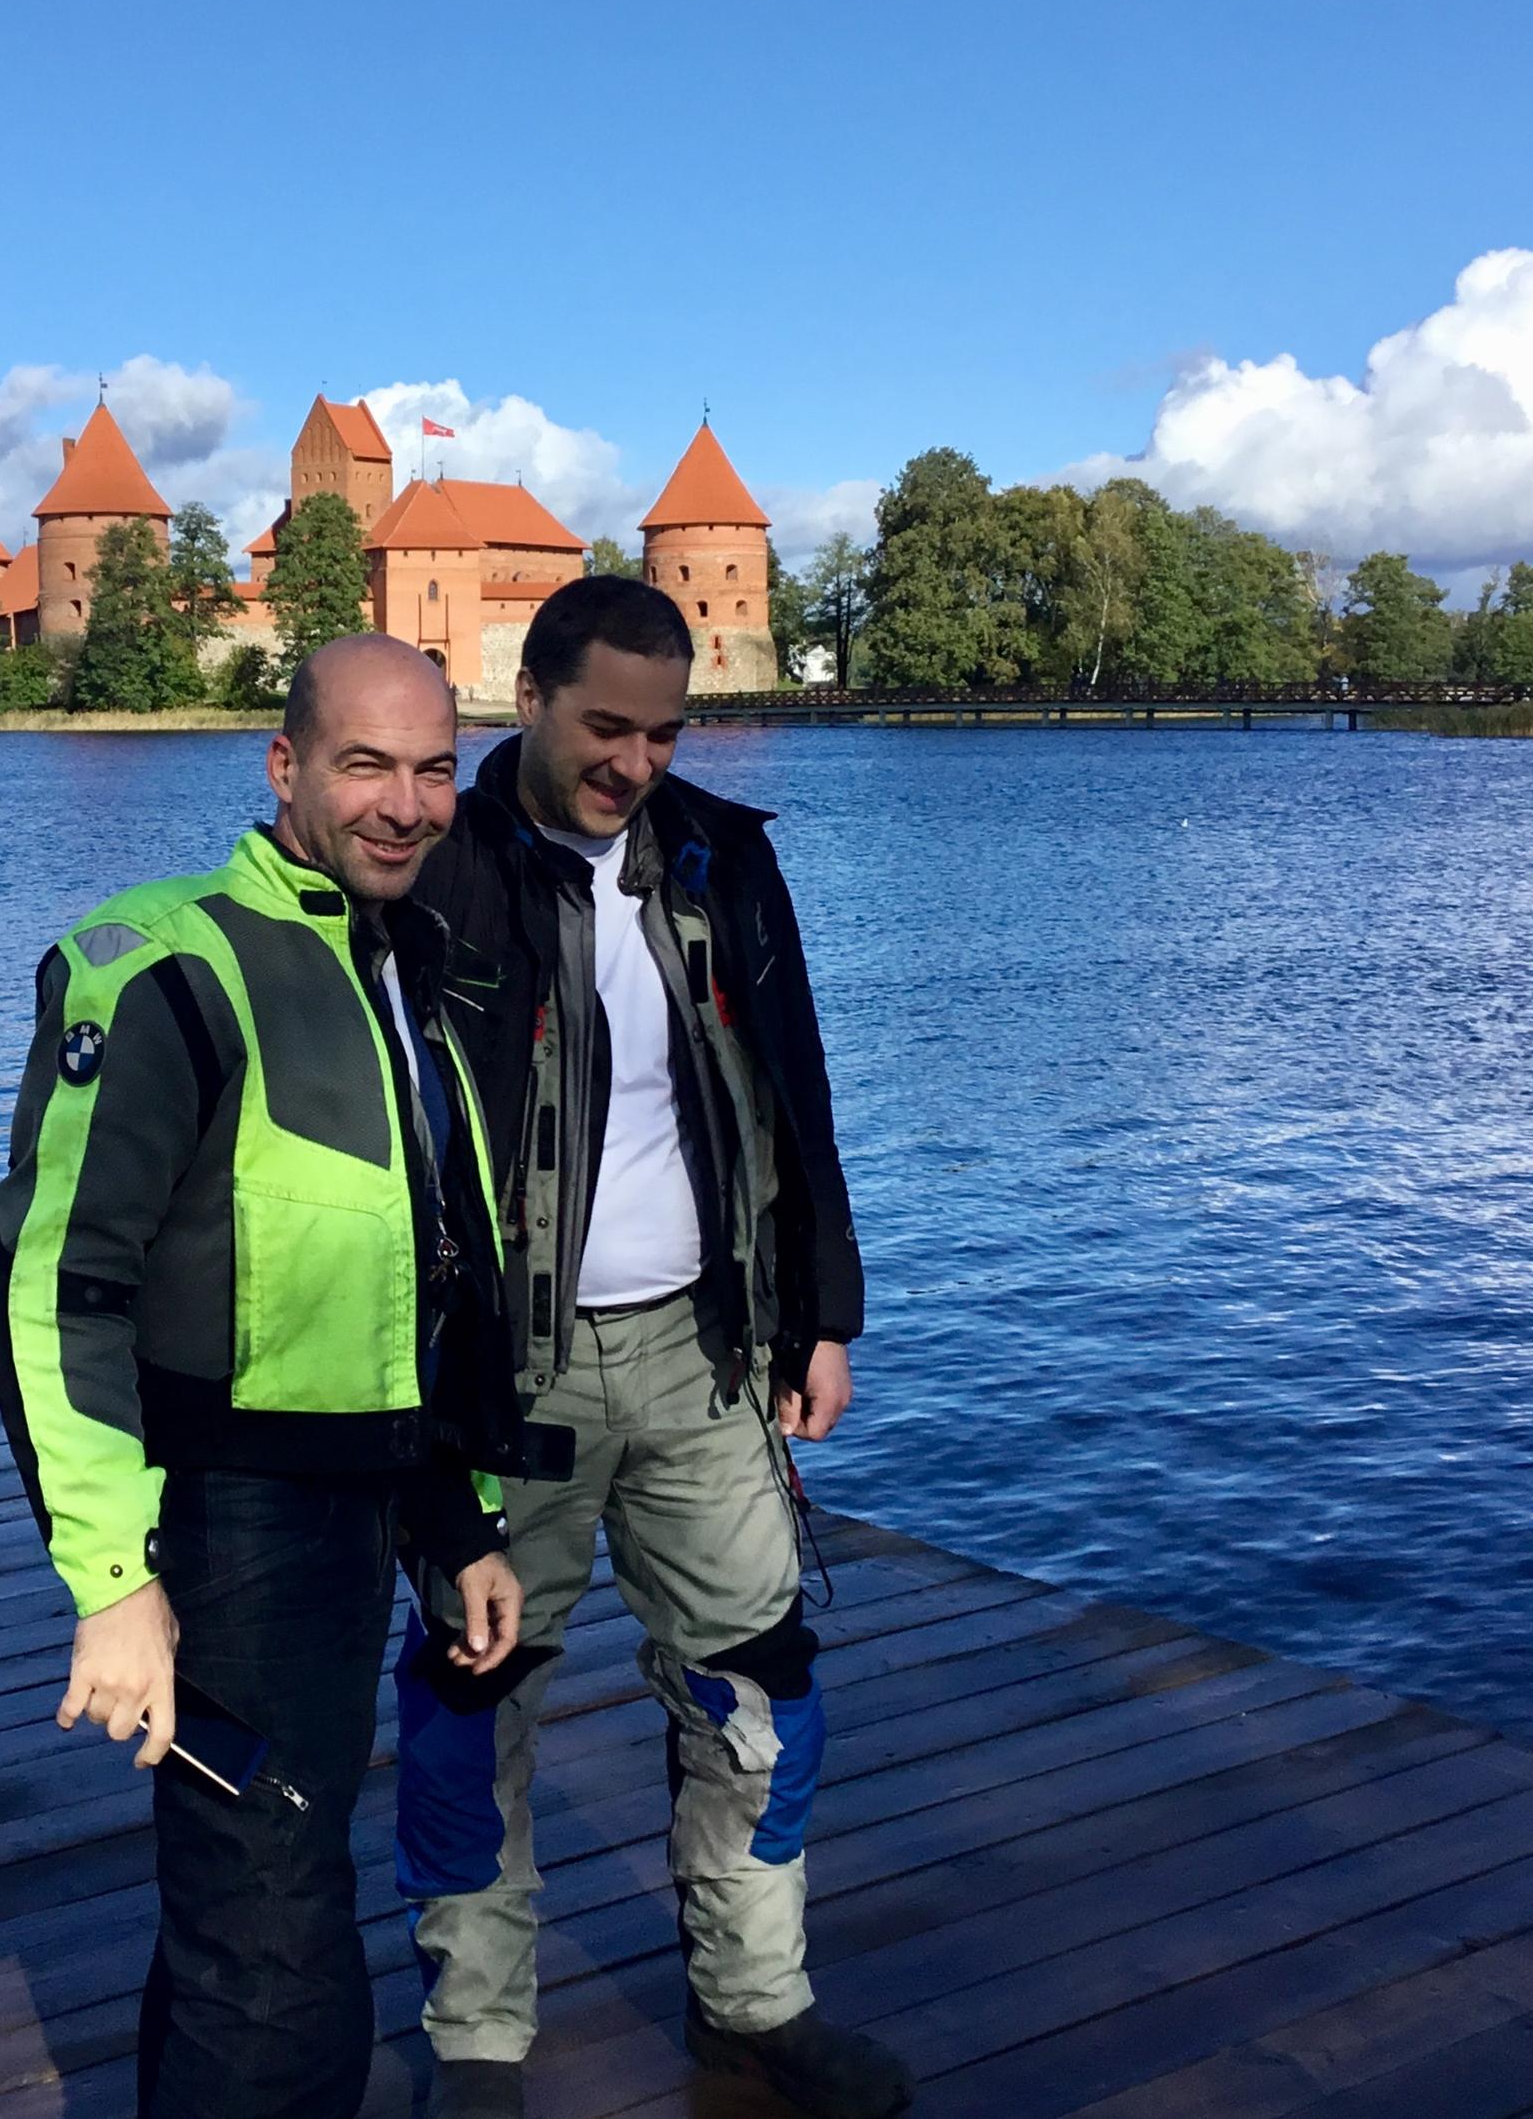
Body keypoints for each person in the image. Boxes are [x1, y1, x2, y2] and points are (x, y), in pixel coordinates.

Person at [0, 634, 541, 2119]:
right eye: (366, 766)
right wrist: (113, 1581)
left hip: (360, 1507)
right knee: (276, 1952)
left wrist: (457, 1519)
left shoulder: (407, 963)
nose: (406, 806)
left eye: (435, 770)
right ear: (285, 767)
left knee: (256, 1906)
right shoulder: (163, 965)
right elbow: (51, 1290)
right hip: (224, 1528)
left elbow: (407, 1283)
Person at [400, 579, 912, 2118]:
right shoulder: (436, 869)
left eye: (663, 732)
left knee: (758, 1682)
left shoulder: (718, 856)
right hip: (508, 1376)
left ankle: (752, 2007)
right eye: (605, 728)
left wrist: (823, 1312)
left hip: (706, 1351)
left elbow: (793, 1088)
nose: (633, 763)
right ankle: (476, 2045)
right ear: (527, 701)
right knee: (472, 1700)